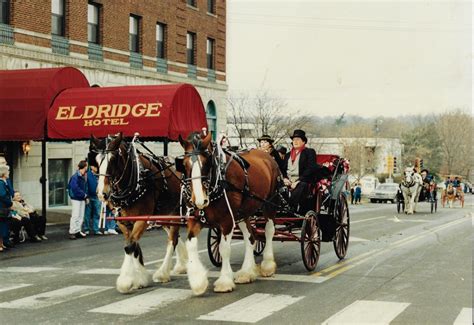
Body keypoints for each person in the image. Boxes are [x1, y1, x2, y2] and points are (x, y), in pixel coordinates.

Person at [282, 129, 317, 213]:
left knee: (301, 186)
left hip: (303, 180)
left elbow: (311, 168)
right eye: (294, 140)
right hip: (288, 180)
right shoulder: (287, 155)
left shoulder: (309, 152)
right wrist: (285, 178)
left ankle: (291, 207)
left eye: (298, 139)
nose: (295, 141)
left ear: (304, 141)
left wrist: (298, 181)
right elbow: (282, 169)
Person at [68, 160, 88, 240]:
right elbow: (75, 188)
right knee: (76, 215)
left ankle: (77, 230)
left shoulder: (81, 176)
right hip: (76, 198)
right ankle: (72, 231)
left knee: (80, 216)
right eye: (86, 167)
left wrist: (85, 196)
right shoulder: (75, 177)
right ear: (84, 167)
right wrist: (85, 195)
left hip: (81, 198)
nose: (87, 168)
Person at [83, 165, 102, 235]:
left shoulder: (99, 175)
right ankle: (86, 229)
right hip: (89, 197)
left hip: (97, 197)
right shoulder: (87, 174)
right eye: (96, 167)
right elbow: (85, 186)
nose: (97, 168)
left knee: (97, 213)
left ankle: (96, 229)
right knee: (87, 214)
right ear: (91, 167)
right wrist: (86, 196)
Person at [0, 164, 13, 252]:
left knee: (4, 224)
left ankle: (3, 243)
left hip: (4, 208)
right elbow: (3, 195)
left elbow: (10, 192)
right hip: (1, 207)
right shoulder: (0, 183)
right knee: (1, 225)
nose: (9, 173)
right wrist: (10, 203)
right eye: (7, 171)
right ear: (4, 173)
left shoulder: (5, 182)